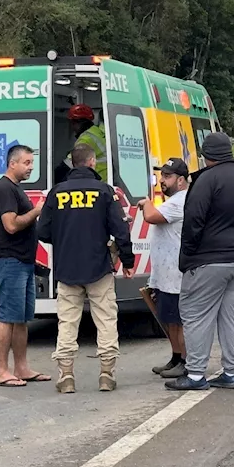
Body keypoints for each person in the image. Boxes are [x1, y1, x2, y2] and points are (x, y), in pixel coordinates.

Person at [166, 132, 234, 391]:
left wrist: (189, 257)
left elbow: (193, 223)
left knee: (196, 315)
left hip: (208, 260)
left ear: (205, 156)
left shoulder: (205, 181)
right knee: (233, 316)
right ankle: (232, 372)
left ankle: (194, 375)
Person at [37, 142, 136, 393]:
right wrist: (127, 261)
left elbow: (42, 231)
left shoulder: (56, 192)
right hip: (99, 267)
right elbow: (120, 230)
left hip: (67, 268)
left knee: (67, 322)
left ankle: (66, 376)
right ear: (92, 162)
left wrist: (63, 241)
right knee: (105, 319)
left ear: (72, 162)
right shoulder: (104, 191)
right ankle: (106, 374)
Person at [0, 145, 49, 387]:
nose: (30, 167)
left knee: (22, 318)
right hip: (9, 261)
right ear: (12, 163)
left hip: (23, 261)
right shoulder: (5, 189)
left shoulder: (15, 189)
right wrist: (36, 211)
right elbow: (11, 225)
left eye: (31, 162)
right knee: (7, 317)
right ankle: (2, 371)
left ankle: (21, 368)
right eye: (26, 162)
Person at [138, 158, 189, 379]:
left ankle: (186, 361)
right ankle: (176, 357)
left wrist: (145, 202)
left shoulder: (180, 201)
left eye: (167, 177)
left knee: (177, 320)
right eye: (162, 176)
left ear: (181, 180)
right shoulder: (175, 200)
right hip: (167, 274)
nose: (162, 181)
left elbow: (151, 216)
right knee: (169, 318)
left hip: (175, 276)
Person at [66, 104, 106, 179]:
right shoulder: (97, 132)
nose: (72, 127)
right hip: (104, 182)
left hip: (97, 183)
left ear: (76, 123)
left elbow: (67, 165)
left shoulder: (86, 139)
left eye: (72, 123)